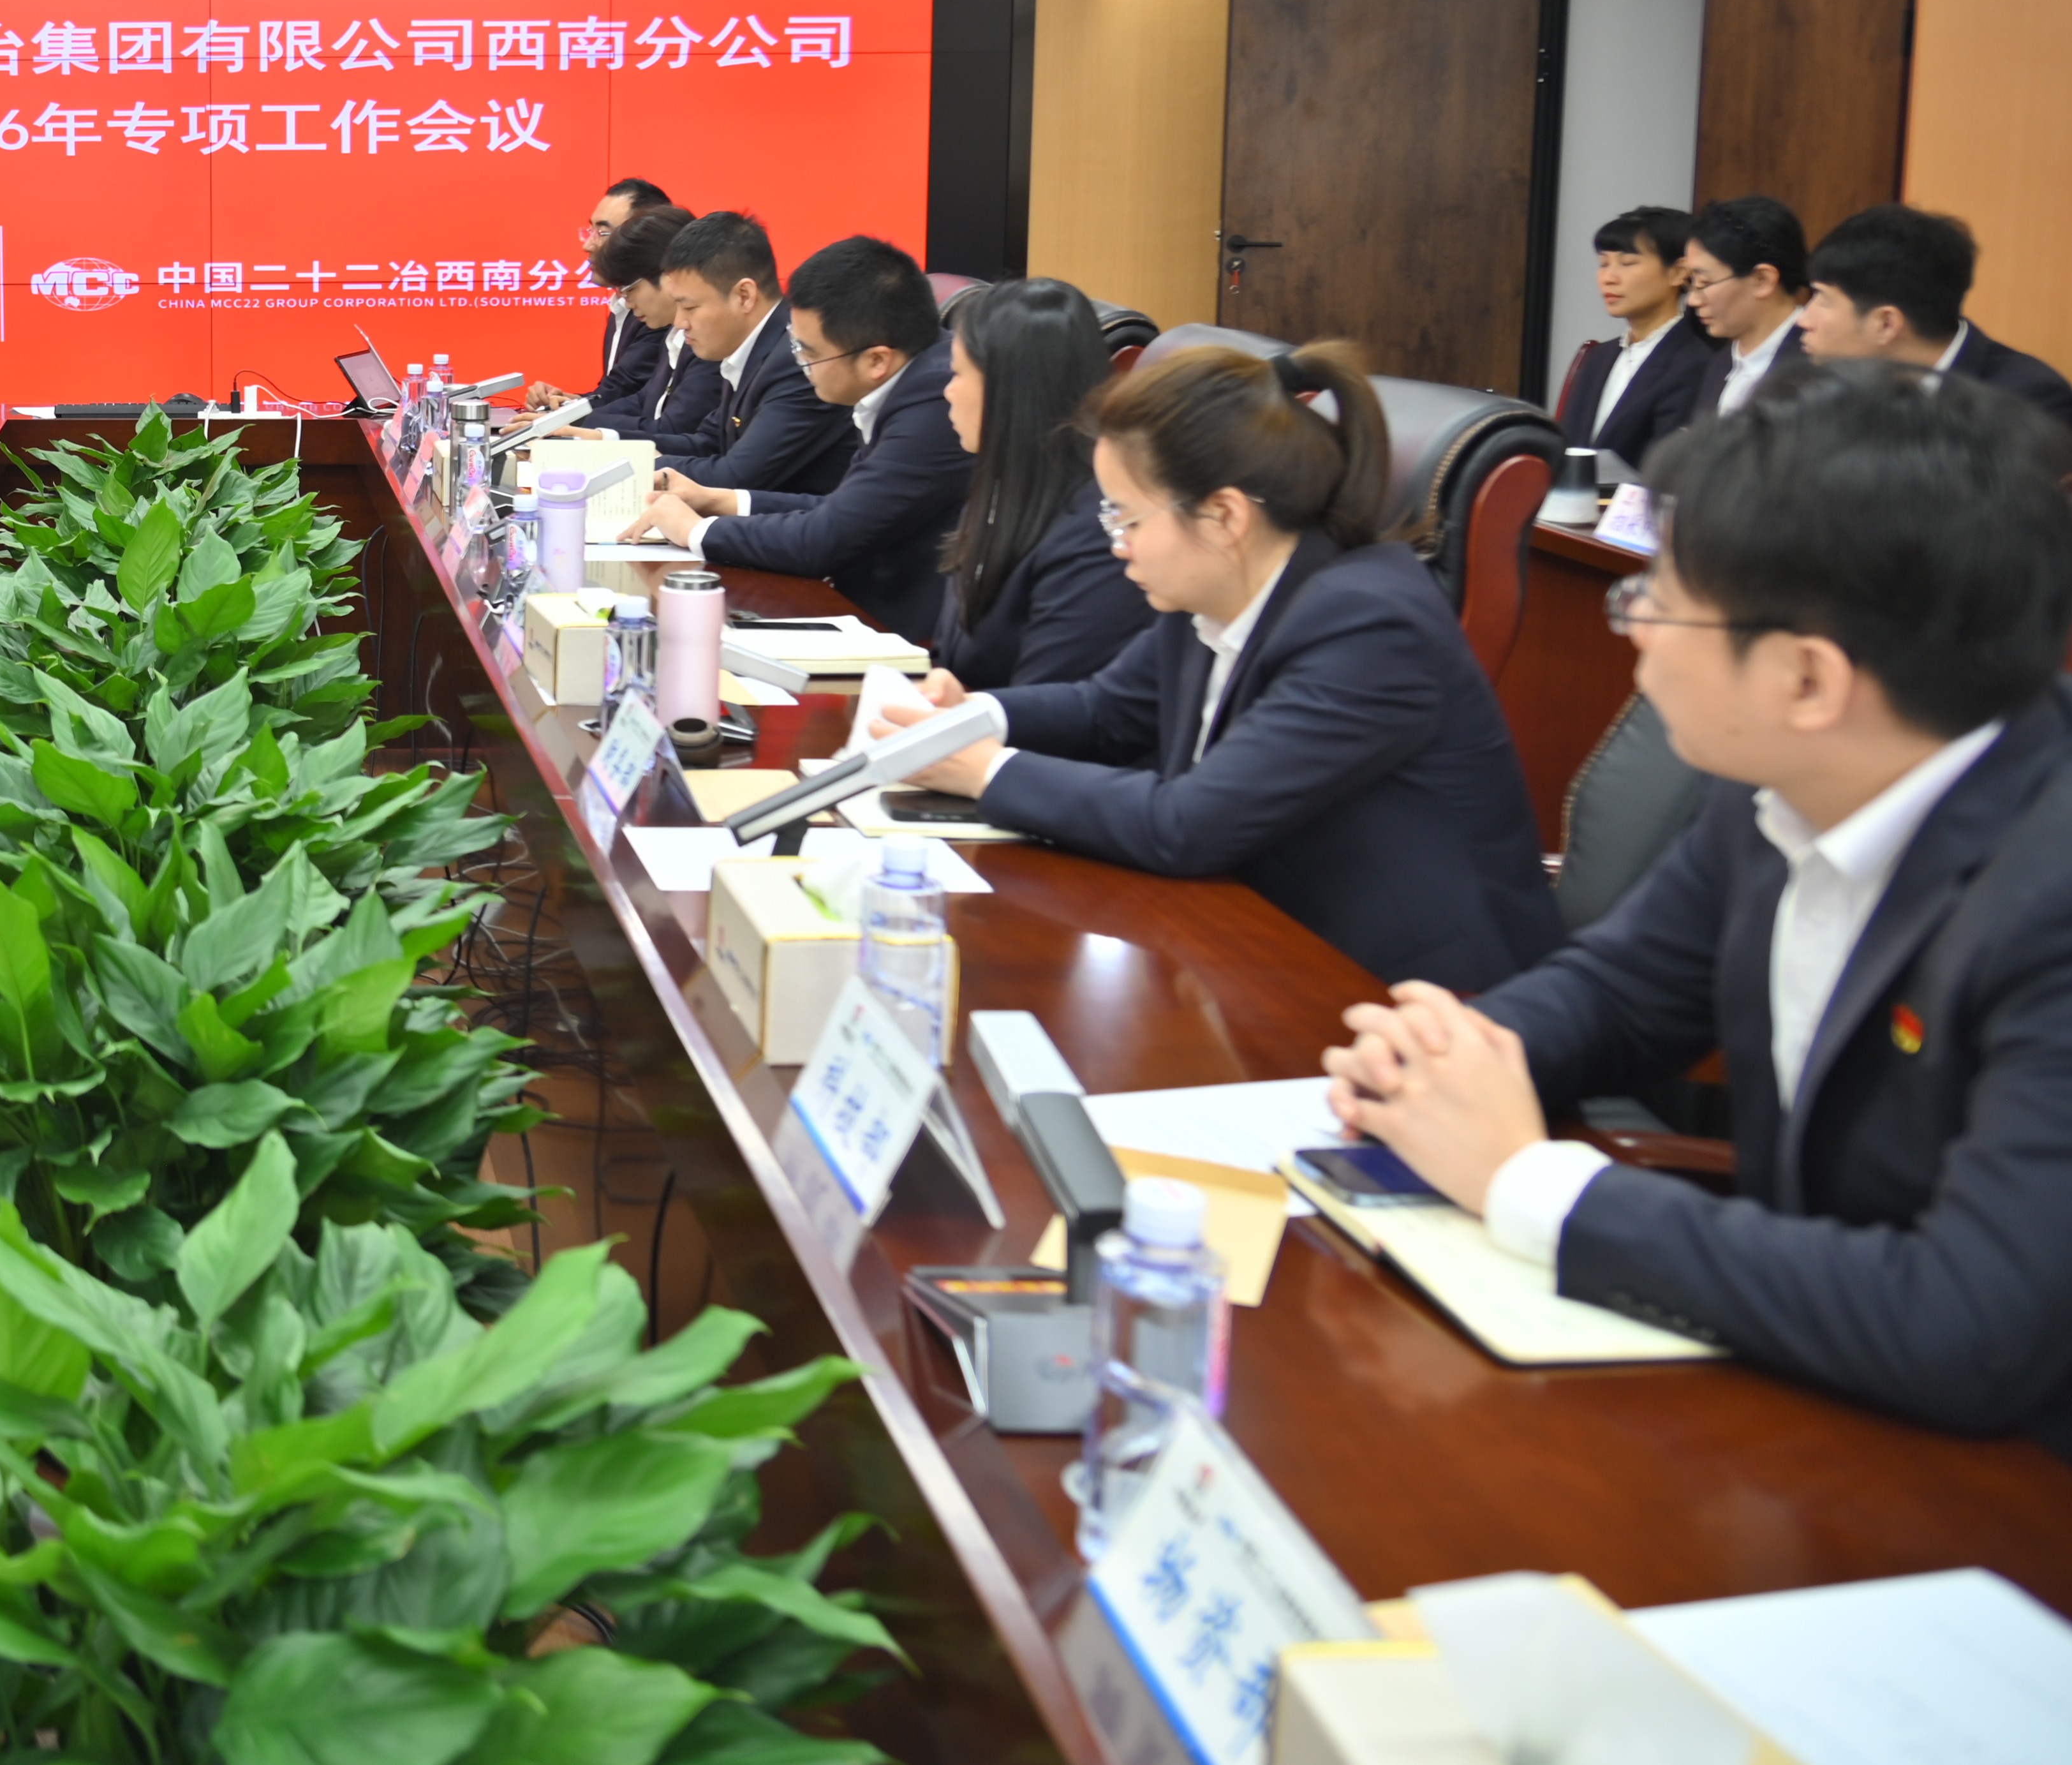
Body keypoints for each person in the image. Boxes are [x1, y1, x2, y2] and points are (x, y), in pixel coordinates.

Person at [1324, 364, 2072, 1453]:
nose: (1632, 628)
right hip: (1806, 1387)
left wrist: (1527, 1180)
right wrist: (1455, 1058)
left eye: (1656, 599)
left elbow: (1971, 1321)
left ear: (1807, 680)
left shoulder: (2046, 898)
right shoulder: (1787, 776)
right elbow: (1623, 990)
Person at [872, 339, 1560, 992]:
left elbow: (1187, 823)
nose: (1115, 544)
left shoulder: (1369, 626)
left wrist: (984, 770)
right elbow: (1105, 709)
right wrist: (977, 716)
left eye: (1126, 518)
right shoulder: (1214, 584)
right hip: (1255, 936)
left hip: (1414, 996)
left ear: (1224, 514)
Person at [632, 234, 968, 639]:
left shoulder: (936, 402)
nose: (799, 363)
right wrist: (720, 501)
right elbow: (845, 506)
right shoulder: (909, 380)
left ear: (877, 360)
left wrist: (694, 530)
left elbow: (828, 537)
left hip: (910, 635)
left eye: (809, 352)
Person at [924, 278, 1145, 689]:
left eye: (957, 374)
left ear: (1010, 388)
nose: (947, 392)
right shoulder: (1002, 483)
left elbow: (1055, 702)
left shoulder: (1097, 533)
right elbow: (952, 658)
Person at [1787, 202, 2072, 429]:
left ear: (1886, 324)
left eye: (1823, 299)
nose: (1803, 320)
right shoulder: (1834, 384)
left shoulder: (2025, 401)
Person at [651, 211, 853, 502]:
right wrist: (619, 450)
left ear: (744, 296)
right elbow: (709, 442)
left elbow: (736, 477)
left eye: (690, 308)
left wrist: (648, 467)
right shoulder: (751, 346)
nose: (680, 323)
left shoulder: (797, 359)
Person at [1551, 204, 1715, 463]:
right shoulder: (1599, 357)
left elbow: (1670, 464)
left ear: (1678, 273)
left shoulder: (1695, 362)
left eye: (1627, 263)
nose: (1609, 278)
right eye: (1603, 264)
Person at [572, 205, 720, 452]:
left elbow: (673, 429)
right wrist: (568, 420)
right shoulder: (673, 333)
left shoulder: (711, 341)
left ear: (669, 276)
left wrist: (584, 428)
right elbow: (644, 400)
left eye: (629, 290)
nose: (627, 302)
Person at [529, 177, 676, 413]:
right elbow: (615, 396)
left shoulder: (659, 312)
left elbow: (631, 399)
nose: (588, 245)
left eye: (603, 233)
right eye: (591, 230)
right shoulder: (624, 305)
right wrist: (563, 404)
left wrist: (563, 414)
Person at [1681, 195, 1810, 418]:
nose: (1693, 300)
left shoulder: (1816, 365)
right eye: (1691, 282)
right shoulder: (1719, 364)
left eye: (1704, 282)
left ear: (1762, 280)